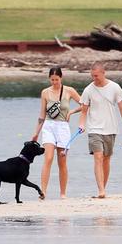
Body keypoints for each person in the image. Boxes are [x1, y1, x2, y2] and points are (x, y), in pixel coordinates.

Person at [79, 63, 122, 198]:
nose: (94, 78)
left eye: (96, 76)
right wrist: (81, 124)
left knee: (106, 159)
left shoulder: (115, 87)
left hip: (111, 129)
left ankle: (104, 187)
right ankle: (101, 190)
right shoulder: (88, 90)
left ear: (104, 73)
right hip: (94, 129)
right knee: (98, 157)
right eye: (92, 76)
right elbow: (84, 110)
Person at [30, 66, 83, 199]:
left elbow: (84, 104)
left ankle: (63, 193)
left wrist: (71, 112)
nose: (54, 82)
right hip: (49, 126)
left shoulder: (69, 90)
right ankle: (43, 192)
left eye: (57, 79)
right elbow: (42, 114)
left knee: (62, 161)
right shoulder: (45, 92)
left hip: (63, 127)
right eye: (52, 80)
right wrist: (36, 132)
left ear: (61, 78)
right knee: (48, 158)